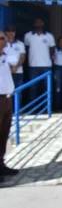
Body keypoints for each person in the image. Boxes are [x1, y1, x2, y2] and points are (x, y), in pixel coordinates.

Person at [0, 31, 19, 182]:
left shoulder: (5, 56)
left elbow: (15, 68)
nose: (6, 40)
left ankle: (1, 164)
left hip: (7, 98)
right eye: (2, 38)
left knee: (4, 133)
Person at [24, 18, 55, 101]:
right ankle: (33, 107)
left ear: (43, 24)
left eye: (40, 22)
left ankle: (47, 107)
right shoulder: (28, 35)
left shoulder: (49, 36)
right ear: (34, 24)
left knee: (47, 88)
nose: (38, 24)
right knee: (33, 88)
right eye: (36, 22)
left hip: (46, 65)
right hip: (33, 65)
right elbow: (26, 49)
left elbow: (52, 50)